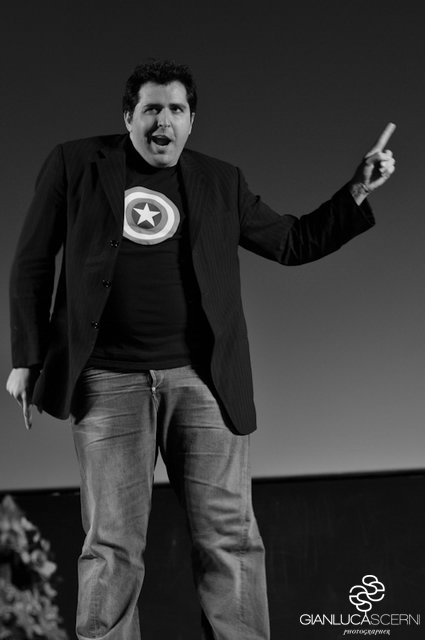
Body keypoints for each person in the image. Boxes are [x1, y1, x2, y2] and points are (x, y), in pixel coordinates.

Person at [6, 59, 395, 640]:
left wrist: (358, 188)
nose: (163, 121)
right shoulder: (75, 163)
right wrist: (26, 358)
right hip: (108, 380)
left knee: (230, 539)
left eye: (176, 109)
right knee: (110, 545)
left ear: (192, 121)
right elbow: (33, 261)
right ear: (129, 117)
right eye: (151, 109)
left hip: (203, 380)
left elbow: (293, 242)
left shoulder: (220, 180)